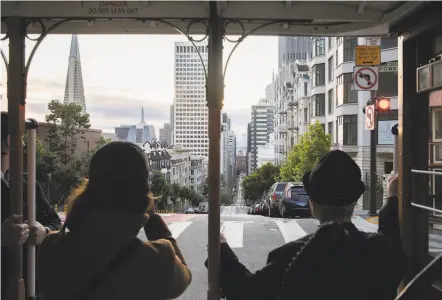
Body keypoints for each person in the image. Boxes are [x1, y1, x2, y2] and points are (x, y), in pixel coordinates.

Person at [210, 150, 406, 300]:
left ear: (312, 205)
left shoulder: (290, 257)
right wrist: (392, 197)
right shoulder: (381, 250)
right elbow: (391, 238)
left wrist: (221, 248)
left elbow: (247, 293)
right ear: (354, 202)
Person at [37, 141, 191, 300]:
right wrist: (153, 220)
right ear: (143, 192)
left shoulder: (52, 248)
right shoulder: (157, 260)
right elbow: (184, 277)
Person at [1, 111, 62, 298]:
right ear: (11, 141)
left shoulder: (26, 183)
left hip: (31, 284)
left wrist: (43, 231)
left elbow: (54, 222)